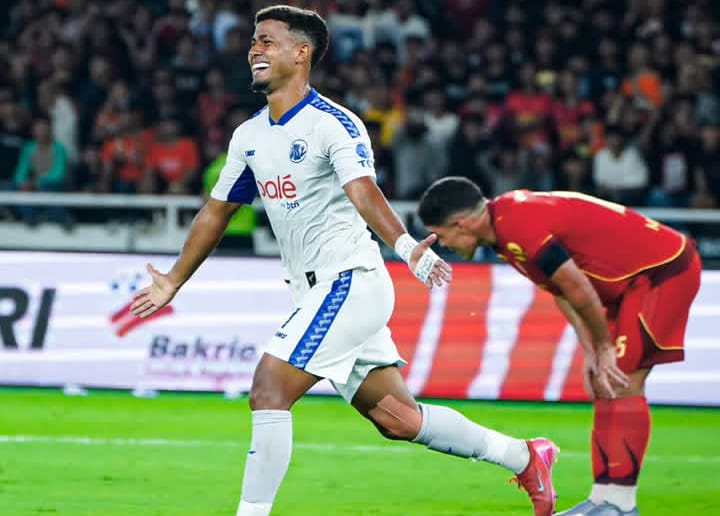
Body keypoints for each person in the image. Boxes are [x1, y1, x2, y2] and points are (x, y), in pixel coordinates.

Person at [130, 6, 558, 516]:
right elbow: (216, 212)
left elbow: (363, 190)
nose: (254, 50)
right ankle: (525, 457)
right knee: (399, 419)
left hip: (348, 283)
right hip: (314, 292)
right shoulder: (249, 137)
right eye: (253, 41)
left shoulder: (333, 123)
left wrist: (405, 247)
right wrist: (173, 280)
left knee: (269, 389)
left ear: (301, 53)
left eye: (267, 40)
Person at [417, 177, 702, 516]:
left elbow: (577, 286)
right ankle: (602, 499)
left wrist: (604, 347)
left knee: (624, 381)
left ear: (460, 224)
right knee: (604, 381)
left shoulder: (519, 226)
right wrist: (591, 349)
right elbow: (562, 291)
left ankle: (622, 504)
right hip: (627, 284)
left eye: (441, 236)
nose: (444, 245)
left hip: (661, 271)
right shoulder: (504, 230)